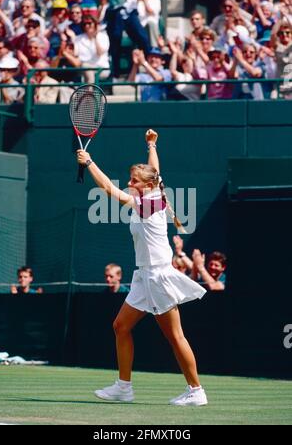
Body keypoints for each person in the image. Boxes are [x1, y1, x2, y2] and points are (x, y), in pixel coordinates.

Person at [77, 129, 208, 406]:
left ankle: (196, 391)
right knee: (121, 326)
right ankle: (124, 387)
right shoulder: (154, 191)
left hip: (158, 276)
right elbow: (155, 171)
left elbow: (109, 190)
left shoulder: (147, 203)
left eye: (133, 181)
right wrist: (152, 145)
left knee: (175, 335)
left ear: (146, 186)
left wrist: (89, 163)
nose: (129, 182)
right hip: (143, 276)